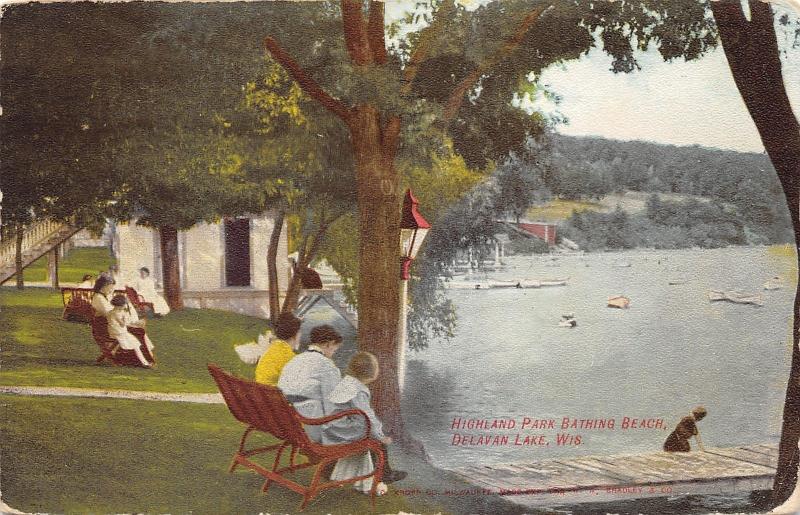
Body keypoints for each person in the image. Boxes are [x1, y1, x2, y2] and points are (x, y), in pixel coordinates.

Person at [325, 352, 407, 495]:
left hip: (332, 429)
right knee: (378, 440)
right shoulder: (358, 390)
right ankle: (385, 474)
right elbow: (368, 417)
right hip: (343, 433)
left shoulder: (345, 382)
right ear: (371, 374)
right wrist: (380, 435)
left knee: (371, 432)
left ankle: (341, 471)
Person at [277, 325, 343, 443]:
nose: (333, 353)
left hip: (288, 424)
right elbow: (332, 407)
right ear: (328, 344)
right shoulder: (327, 366)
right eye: (334, 349)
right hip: (311, 427)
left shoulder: (294, 361)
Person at [254, 313, 302, 386]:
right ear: (295, 335)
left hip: (262, 391)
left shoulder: (273, 347)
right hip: (274, 394)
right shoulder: (290, 357)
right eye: (299, 332)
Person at [107, 294, 154, 368]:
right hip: (119, 333)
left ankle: (113, 353)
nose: (125, 306)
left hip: (114, 332)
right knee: (136, 344)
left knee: (134, 343)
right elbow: (123, 324)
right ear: (120, 305)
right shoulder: (117, 313)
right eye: (124, 305)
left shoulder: (110, 312)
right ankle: (144, 363)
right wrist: (126, 317)